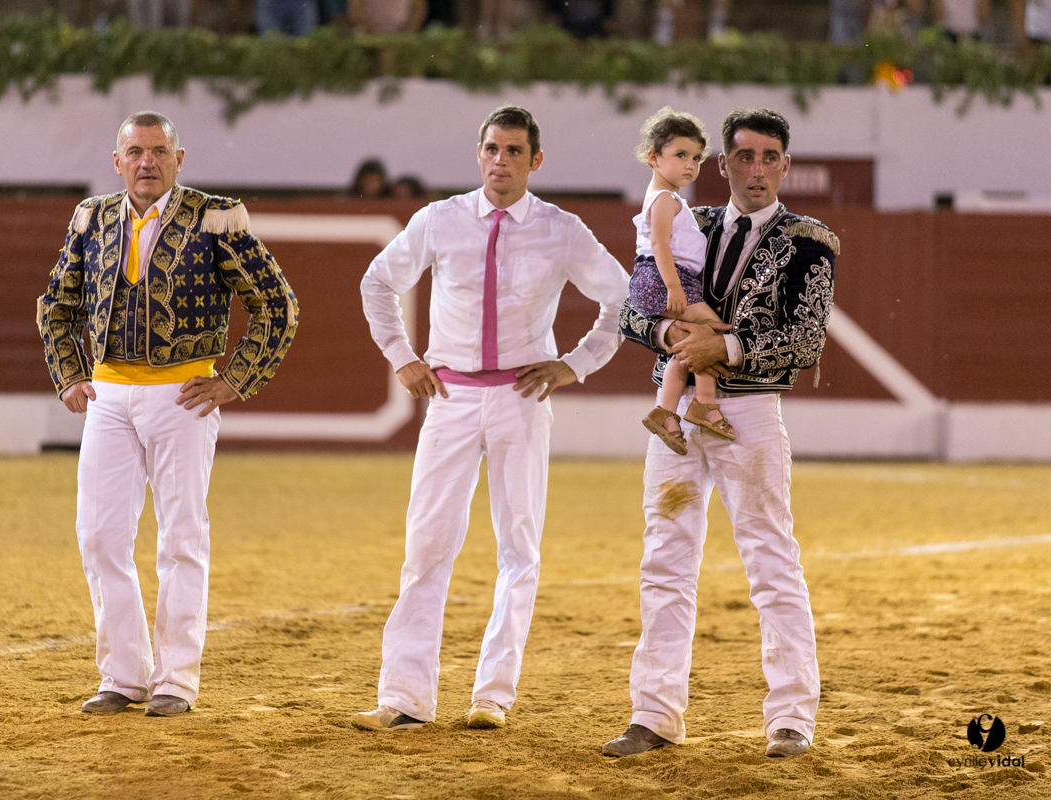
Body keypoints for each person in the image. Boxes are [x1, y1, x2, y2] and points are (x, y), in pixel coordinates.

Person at [353, 105, 630, 732]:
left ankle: (493, 696)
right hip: (449, 397)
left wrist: (575, 364)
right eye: (491, 149)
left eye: (513, 151)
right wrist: (402, 357)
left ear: (535, 160)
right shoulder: (440, 219)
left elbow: (622, 298)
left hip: (521, 397)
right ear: (479, 154)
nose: (499, 161)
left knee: (518, 548)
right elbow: (376, 282)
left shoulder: (562, 229)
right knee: (426, 544)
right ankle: (405, 698)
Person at [36, 111, 298, 717]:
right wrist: (69, 372)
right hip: (107, 396)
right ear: (117, 160)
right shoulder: (93, 219)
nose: (147, 161)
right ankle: (123, 677)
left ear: (180, 159)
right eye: (136, 152)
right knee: (100, 537)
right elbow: (57, 304)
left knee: (181, 537)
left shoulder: (216, 217)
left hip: (183, 396)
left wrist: (235, 379)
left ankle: (176, 680)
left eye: (159, 151)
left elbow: (277, 305)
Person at [602, 108, 837, 759]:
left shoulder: (809, 240)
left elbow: (805, 338)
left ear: (785, 165)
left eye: (769, 157)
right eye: (744, 156)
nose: (756, 169)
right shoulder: (686, 217)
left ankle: (791, 717)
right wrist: (672, 335)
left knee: (770, 560)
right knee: (664, 559)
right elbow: (632, 306)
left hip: (750, 415)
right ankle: (654, 715)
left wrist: (724, 352)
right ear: (724, 164)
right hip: (677, 419)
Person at [628, 107, 735, 456]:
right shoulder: (663, 199)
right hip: (666, 279)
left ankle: (666, 413)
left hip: (663, 278)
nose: (690, 164)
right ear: (653, 158)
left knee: (688, 346)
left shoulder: (668, 198)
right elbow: (660, 244)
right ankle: (704, 402)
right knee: (711, 333)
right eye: (680, 155)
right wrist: (674, 287)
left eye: (697, 157)